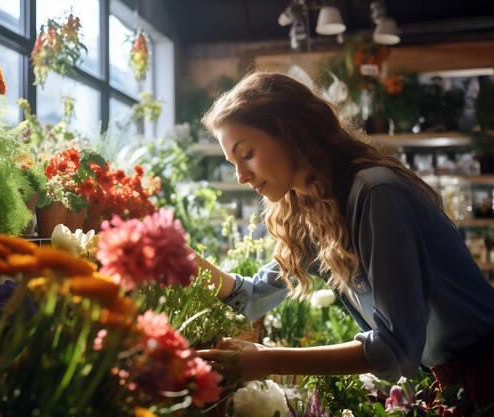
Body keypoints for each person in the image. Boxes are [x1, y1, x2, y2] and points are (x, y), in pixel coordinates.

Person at [194, 70, 494, 416]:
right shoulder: (312, 209)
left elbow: (396, 350)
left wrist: (268, 360)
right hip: (454, 384)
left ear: (290, 132)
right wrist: (179, 258)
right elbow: (251, 298)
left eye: (246, 154)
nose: (241, 176)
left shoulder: (375, 192)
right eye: (233, 164)